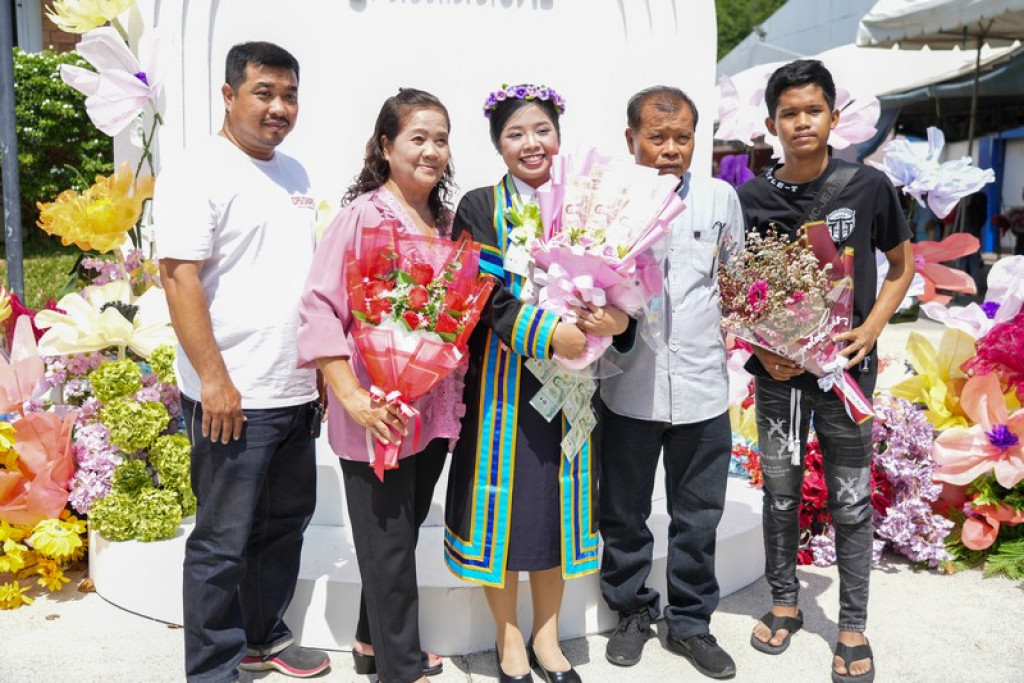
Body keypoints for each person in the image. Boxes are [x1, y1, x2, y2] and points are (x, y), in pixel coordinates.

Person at [155, 42, 330, 682]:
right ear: (229, 95)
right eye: (264, 93)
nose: (279, 107)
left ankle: (263, 637)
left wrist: (318, 371)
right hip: (232, 394)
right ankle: (212, 668)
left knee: (283, 525)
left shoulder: (296, 173)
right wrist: (214, 381)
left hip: (292, 390)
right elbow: (179, 278)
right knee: (222, 540)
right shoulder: (197, 170)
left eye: (289, 95)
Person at [443, 84, 629, 683]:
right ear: (498, 144)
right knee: (505, 514)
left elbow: (623, 280)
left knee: (553, 513)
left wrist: (615, 319)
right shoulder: (480, 207)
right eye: (515, 133)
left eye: (541, 130)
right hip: (502, 389)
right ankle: (509, 640)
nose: (531, 143)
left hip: (571, 386)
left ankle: (548, 639)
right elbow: (484, 295)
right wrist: (551, 334)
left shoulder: (586, 206)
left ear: (559, 135)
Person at [735, 59, 913, 683]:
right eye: (789, 113)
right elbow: (737, 288)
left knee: (851, 499)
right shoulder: (750, 198)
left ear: (834, 117)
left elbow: (901, 265)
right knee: (780, 492)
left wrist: (870, 328)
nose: (802, 122)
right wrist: (761, 347)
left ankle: (852, 626)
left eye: (813, 110)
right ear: (771, 125)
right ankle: (785, 603)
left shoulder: (867, 187)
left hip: (844, 373)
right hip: (778, 377)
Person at [296, 88, 455, 683]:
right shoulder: (362, 217)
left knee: (398, 537)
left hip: (430, 409)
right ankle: (400, 668)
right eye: (418, 138)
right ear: (386, 146)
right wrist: (352, 396)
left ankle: (370, 641)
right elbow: (319, 307)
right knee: (387, 544)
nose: (431, 150)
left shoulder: (446, 221)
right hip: (375, 412)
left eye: (441, 139)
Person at [598, 86, 744, 680]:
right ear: (630, 138)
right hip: (628, 388)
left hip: (703, 389)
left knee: (698, 516)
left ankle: (689, 622)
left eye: (682, 137)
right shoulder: (607, 203)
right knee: (624, 513)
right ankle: (632, 611)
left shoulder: (720, 198)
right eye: (657, 137)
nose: (670, 149)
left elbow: (736, 281)